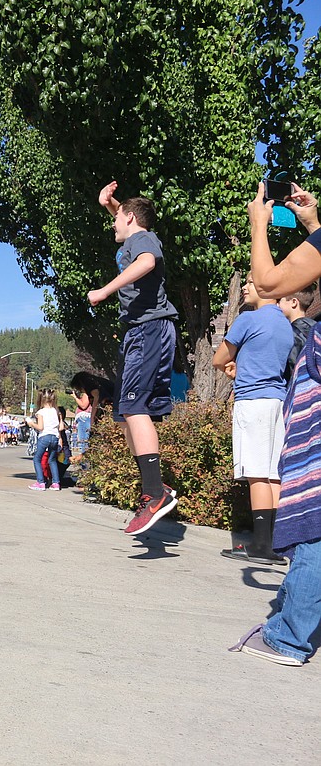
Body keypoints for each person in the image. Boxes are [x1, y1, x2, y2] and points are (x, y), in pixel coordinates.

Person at [230, 181, 321, 665]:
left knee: (312, 511)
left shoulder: (257, 317)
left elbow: (266, 283)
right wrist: (311, 224)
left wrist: (259, 226)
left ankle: (288, 636)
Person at [87, 181, 180, 536]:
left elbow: (146, 259)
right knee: (127, 414)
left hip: (148, 330)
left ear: (131, 218)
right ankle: (158, 490)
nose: (112, 224)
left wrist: (106, 290)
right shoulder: (133, 232)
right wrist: (109, 203)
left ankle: (154, 494)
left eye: (116, 218)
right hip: (143, 332)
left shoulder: (144, 240)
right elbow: (128, 226)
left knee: (134, 409)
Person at [214, 272, 293, 565]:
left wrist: (233, 367)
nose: (246, 287)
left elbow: (218, 358)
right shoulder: (284, 324)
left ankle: (260, 545)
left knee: (257, 473)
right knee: (273, 473)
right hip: (277, 400)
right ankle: (273, 543)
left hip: (253, 402)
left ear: (266, 286)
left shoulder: (248, 320)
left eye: (250, 282)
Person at [277, 282, 318, 383]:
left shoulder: (292, 333)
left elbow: (293, 366)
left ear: (294, 302)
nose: (277, 305)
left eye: (280, 300)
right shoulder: (316, 329)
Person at [25, 388, 64, 490]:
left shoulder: (41, 412)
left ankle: (40, 482)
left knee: (37, 459)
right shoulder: (56, 411)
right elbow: (61, 427)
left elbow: (40, 427)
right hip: (54, 437)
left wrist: (31, 423)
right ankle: (56, 483)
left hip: (44, 437)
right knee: (52, 460)